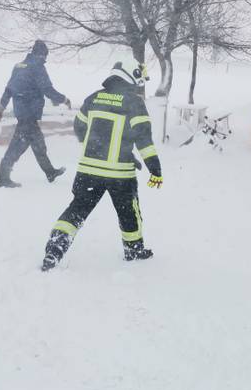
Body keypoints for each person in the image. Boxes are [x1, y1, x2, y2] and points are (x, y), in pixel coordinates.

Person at [40, 58, 163, 271]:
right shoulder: (133, 102)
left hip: (88, 171)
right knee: (128, 213)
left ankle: (53, 251)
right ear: (131, 74)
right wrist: (155, 169)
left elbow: (80, 127)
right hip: (120, 176)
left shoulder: (93, 98)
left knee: (76, 210)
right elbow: (144, 139)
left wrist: (99, 149)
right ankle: (134, 251)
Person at [0, 40, 70, 188]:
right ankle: (4, 178)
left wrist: (0, 108)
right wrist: (64, 99)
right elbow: (47, 89)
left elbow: (9, 89)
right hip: (29, 114)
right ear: (42, 55)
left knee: (38, 143)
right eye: (45, 57)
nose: (45, 60)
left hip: (22, 112)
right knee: (17, 146)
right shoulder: (37, 67)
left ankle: (50, 172)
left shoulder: (19, 66)